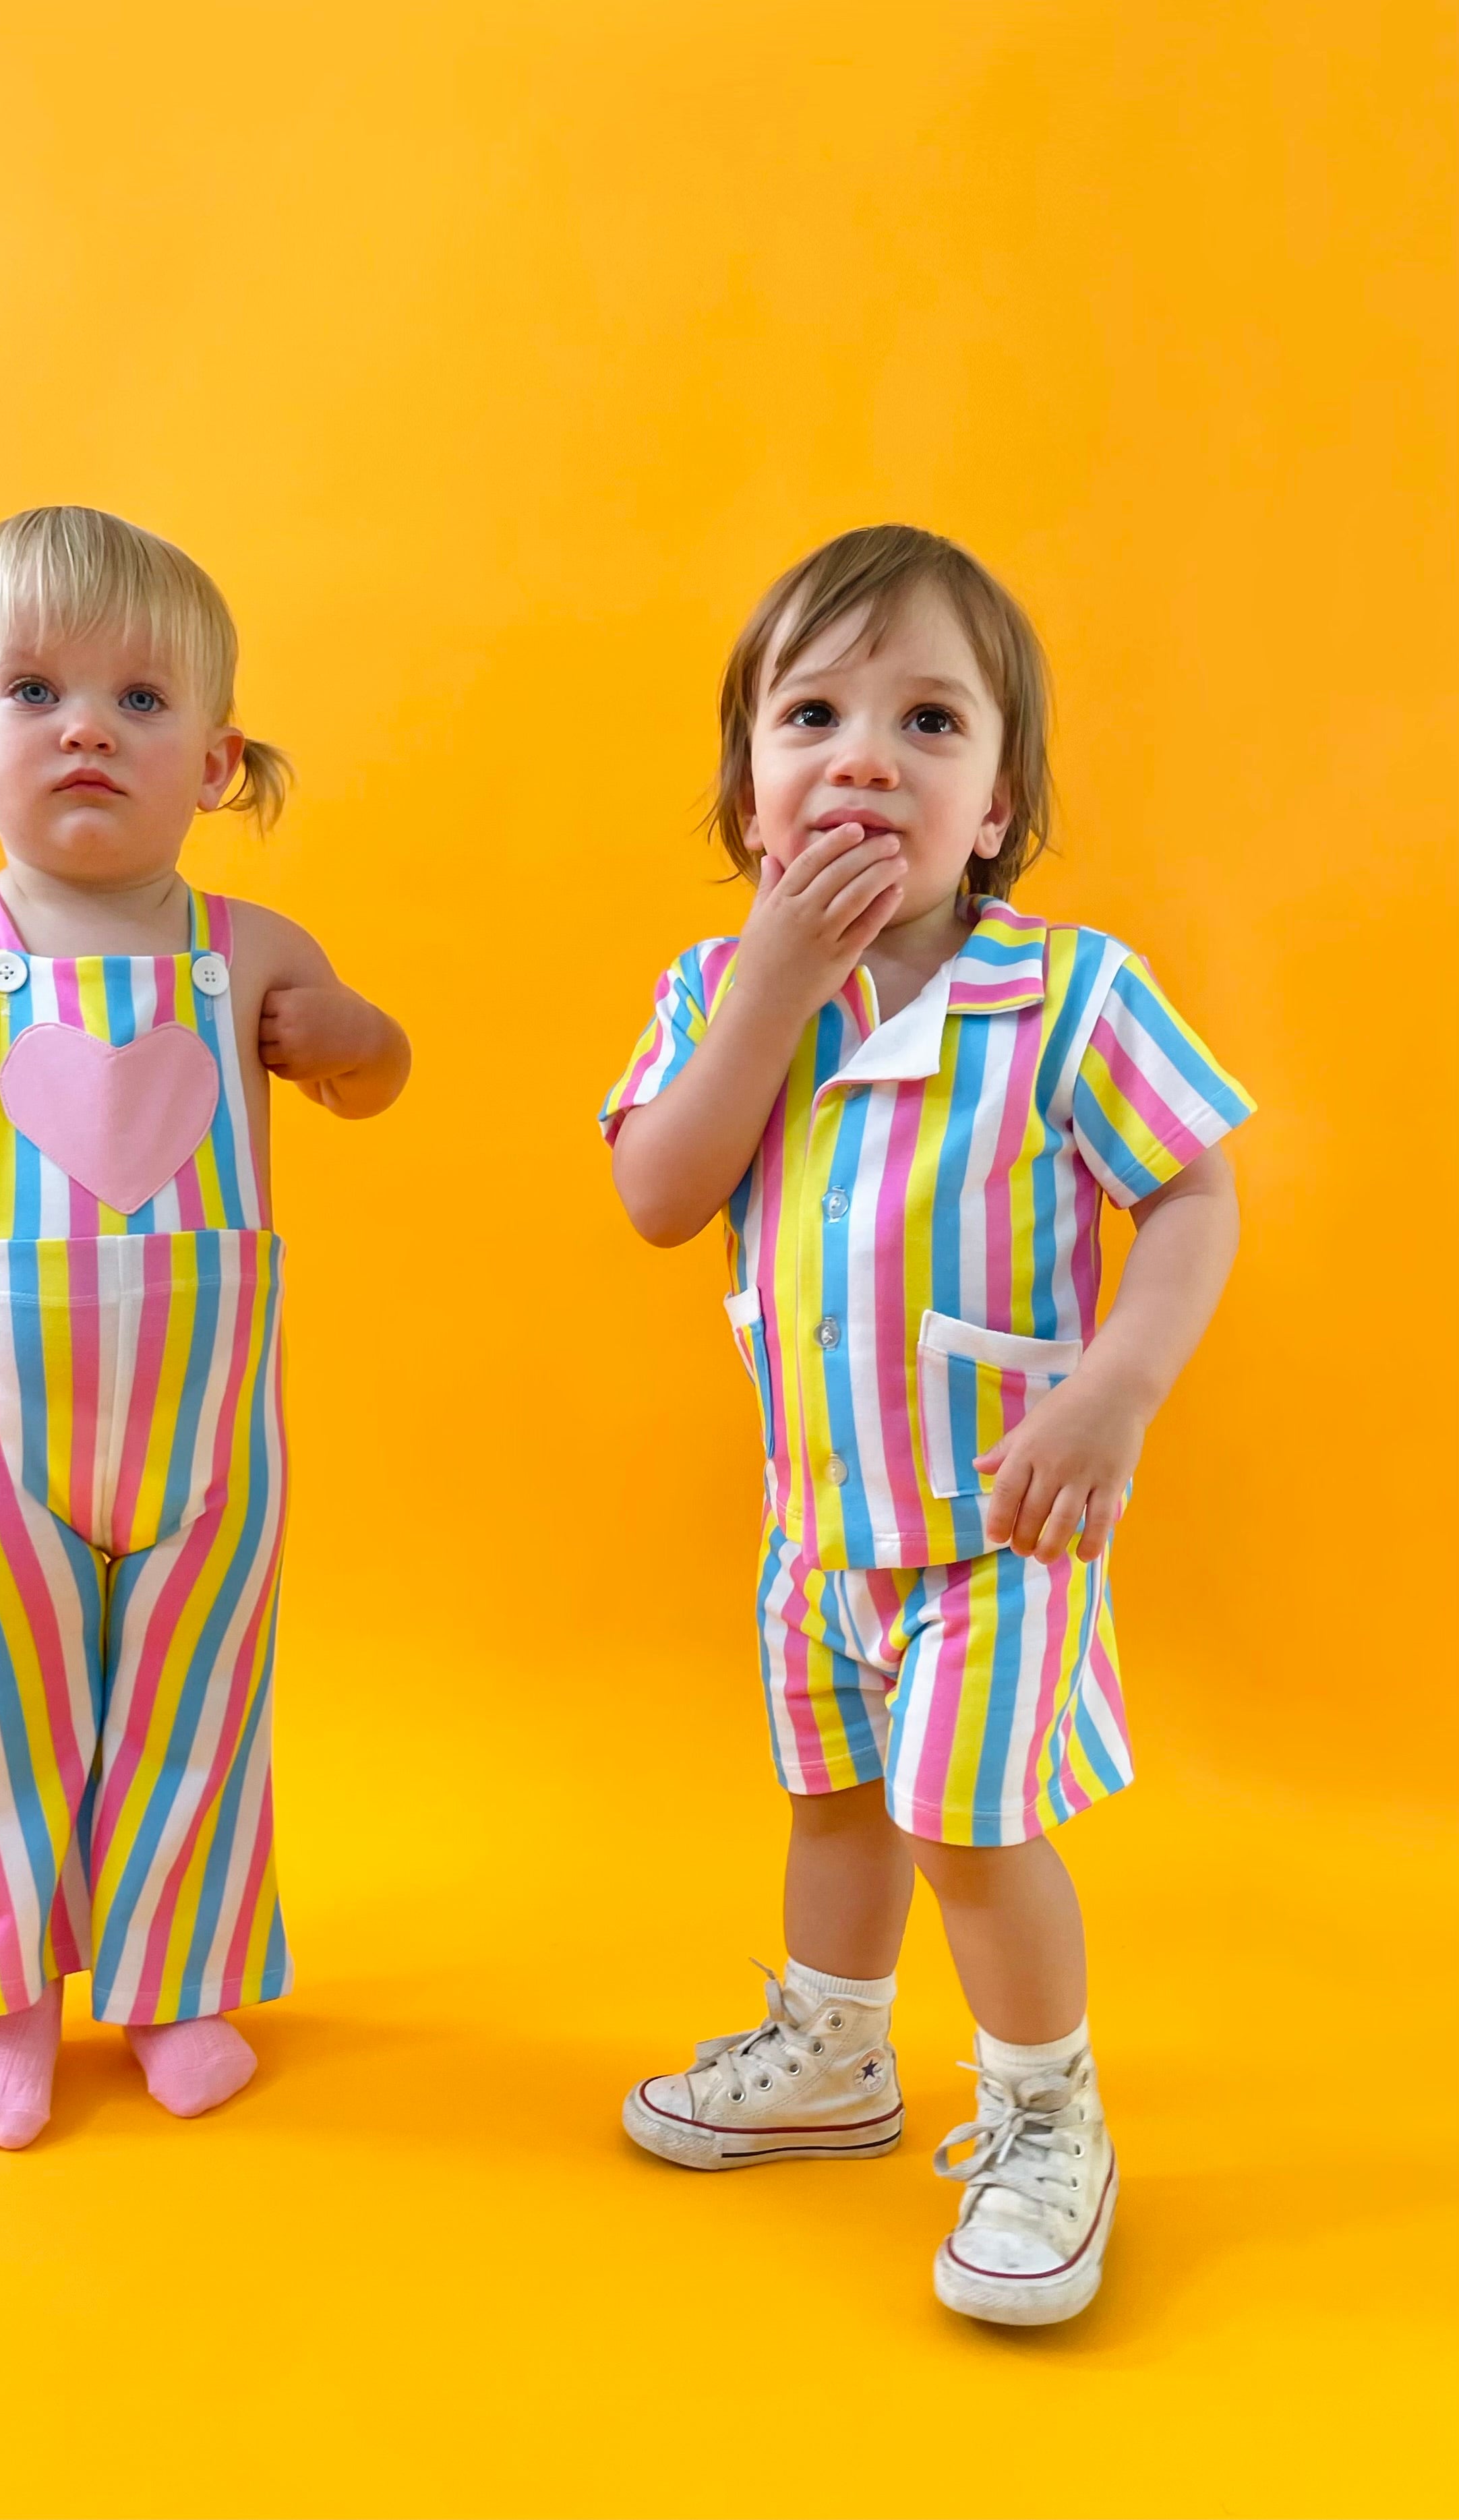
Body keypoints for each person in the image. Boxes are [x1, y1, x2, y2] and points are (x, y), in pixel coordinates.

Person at [599, 523, 1250, 2324]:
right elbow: (663, 1193)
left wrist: (1115, 1389)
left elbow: (1191, 1198)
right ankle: (835, 2054)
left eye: (928, 720)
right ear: (747, 802)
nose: (863, 753)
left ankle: (1049, 2115)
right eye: (810, 714)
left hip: (993, 1527)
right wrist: (768, 992)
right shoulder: (713, 997)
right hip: (815, 1521)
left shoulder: (1065, 997)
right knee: (832, 1800)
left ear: (995, 802)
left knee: (968, 1828)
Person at [0, 506, 409, 2150]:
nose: (86, 729)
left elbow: (368, 1083)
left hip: (208, 1436)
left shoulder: (249, 951)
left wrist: (352, 1035)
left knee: (201, 1697)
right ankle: (6, 1993)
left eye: (139, 699)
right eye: (34, 690)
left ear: (214, 762)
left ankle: (175, 1974)